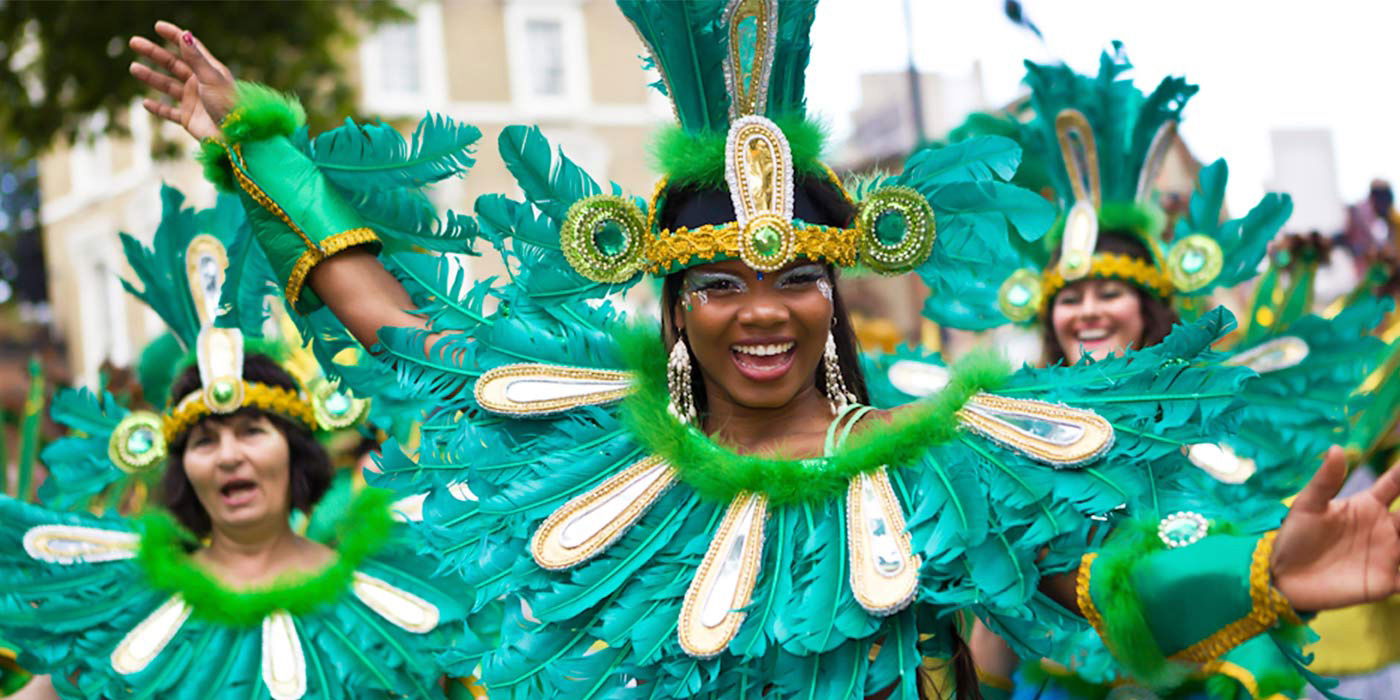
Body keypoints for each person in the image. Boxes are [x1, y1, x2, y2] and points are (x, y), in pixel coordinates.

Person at [132, 5, 1400, 698]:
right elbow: (393, 322)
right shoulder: (589, 435)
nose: (761, 311)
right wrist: (256, 139)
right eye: (722, 282)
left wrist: (1264, 574)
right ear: (672, 303)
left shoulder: (947, 461)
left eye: (796, 278)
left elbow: (1103, 590)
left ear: (833, 295)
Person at [0, 191, 481, 699]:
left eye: (253, 432)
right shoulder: (126, 607)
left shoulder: (397, 595)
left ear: (295, 452)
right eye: (204, 441)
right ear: (182, 468)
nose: (230, 455)